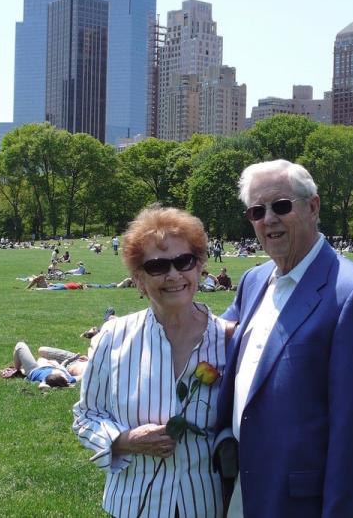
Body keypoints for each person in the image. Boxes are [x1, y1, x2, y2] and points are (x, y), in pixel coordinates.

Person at [215, 160, 353, 517]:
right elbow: (208, 339)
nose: (269, 219)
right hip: (242, 492)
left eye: (281, 206)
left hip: (302, 504)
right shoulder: (254, 281)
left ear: (312, 207)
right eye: (257, 210)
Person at [73, 206, 230, 518]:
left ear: (199, 268)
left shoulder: (229, 339)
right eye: (157, 266)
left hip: (206, 505)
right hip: (133, 504)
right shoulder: (113, 337)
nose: (173, 275)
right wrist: (124, 440)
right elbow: (86, 416)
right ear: (139, 280)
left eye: (184, 261)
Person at [12, 341, 77, 388]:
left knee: (20, 345)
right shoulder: (69, 379)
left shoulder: (46, 380)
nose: (60, 373)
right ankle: (21, 369)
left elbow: (42, 386)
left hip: (34, 369)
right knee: (42, 358)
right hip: (48, 364)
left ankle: (17, 370)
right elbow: (82, 376)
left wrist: (65, 387)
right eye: (61, 375)